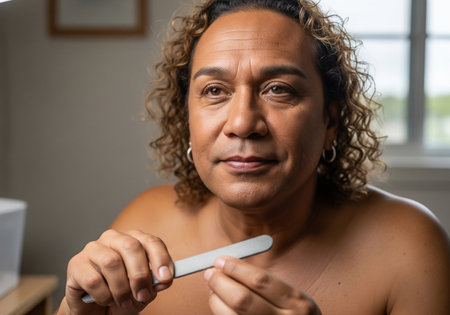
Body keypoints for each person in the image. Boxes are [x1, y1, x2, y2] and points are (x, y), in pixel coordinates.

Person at [56, 0, 450, 314]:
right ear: (186, 119)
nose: (243, 122)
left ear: (330, 121)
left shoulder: (408, 249)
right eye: (214, 91)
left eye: (279, 89)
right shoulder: (145, 222)